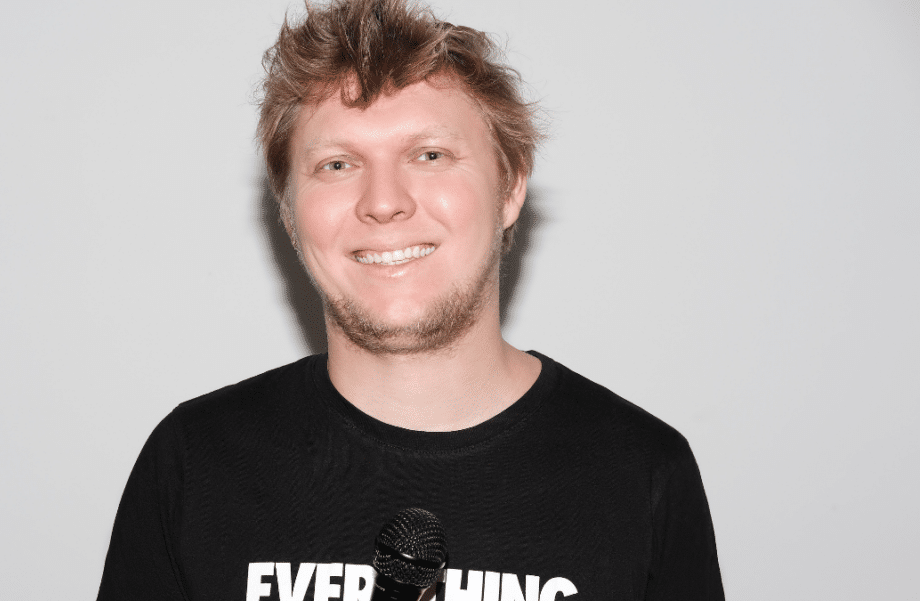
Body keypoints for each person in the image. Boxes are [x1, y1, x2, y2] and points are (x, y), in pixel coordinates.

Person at [97, 0, 724, 599]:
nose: (383, 202)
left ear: (510, 187)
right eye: (337, 165)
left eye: (429, 155)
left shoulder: (639, 473)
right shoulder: (196, 462)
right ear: (287, 210)